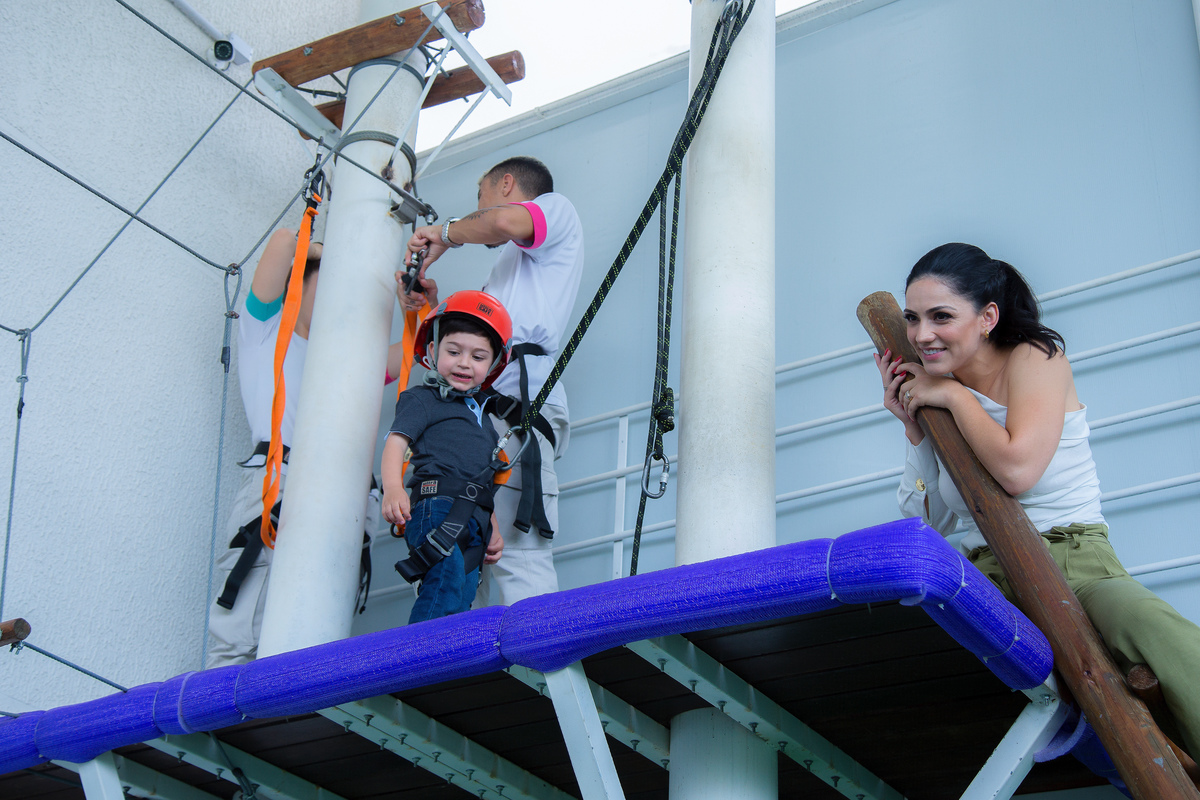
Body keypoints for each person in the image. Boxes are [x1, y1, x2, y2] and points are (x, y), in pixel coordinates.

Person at [877, 242, 1200, 759]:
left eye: (941, 316)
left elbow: (1017, 471)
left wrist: (955, 397)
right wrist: (915, 430)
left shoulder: (1034, 358)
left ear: (987, 317)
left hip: (1076, 562)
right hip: (986, 579)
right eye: (913, 318)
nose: (921, 334)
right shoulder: (934, 391)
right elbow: (929, 524)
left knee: (1159, 635)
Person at [395, 156, 584, 606]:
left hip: (516, 406)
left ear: (506, 184)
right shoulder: (510, 270)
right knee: (460, 547)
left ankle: (542, 648)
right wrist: (433, 306)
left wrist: (444, 234)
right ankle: (460, 649)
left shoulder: (555, 210)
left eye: (479, 197)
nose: (477, 210)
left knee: (517, 554)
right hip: (486, 410)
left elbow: (498, 221)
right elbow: (474, 351)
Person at [207, 228, 378, 668]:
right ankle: (220, 705)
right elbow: (284, 241)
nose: (340, 297)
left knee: (314, 622)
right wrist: (338, 254)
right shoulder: (267, 329)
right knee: (244, 622)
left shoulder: (348, 358)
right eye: (330, 283)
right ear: (298, 282)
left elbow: (412, 356)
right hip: (279, 478)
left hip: (341, 489)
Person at [381, 291, 510, 623]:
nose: (465, 363)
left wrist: (493, 527)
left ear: (493, 365)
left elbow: (484, 482)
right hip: (436, 505)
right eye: (454, 352)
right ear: (433, 351)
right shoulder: (422, 399)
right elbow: (396, 442)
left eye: (478, 357)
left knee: (464, 594)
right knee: (445, 579)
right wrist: (393, 488)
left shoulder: (484, 422)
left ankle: (447, 653)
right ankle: (421, 652)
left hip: (476, 515)